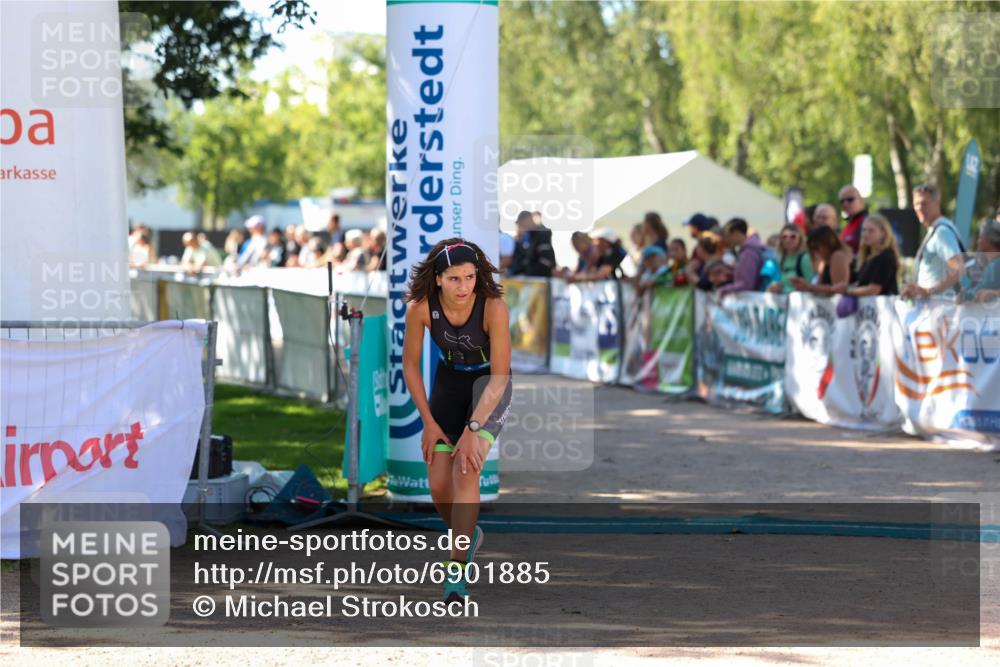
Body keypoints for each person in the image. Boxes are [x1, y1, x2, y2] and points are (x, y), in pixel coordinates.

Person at [403, 239, 513, 603]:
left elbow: (499, 379)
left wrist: (474, 429)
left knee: (465, 469)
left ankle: (455, 576)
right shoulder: (421, 308)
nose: (464, 286)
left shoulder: (493, 307)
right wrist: (428, 422)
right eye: (454, 279)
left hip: (489, 387)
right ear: (437, 279)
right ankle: (466, 537)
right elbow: (410, 365)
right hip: (448, 384)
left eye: (469, 277)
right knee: (438, 484)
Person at [901, 184, 965, 299]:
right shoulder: (936, 230)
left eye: (924, 203)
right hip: (935, 309)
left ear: (937, 203)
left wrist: (928, 291)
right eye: (916, 204)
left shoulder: (942, 232)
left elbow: (958, 269)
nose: (919, 208)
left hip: (942, 309)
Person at [844, 213, 900, 297]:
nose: (866, 234)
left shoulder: (886, 256)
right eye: (864, 230)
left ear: (883, 233)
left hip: (882, 308)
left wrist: (847, 291)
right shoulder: (866, 256)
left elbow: (874, 289)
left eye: (871, 230)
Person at [793, 226, 854, 295]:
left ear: (827, 243)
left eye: (815, 247)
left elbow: (838, 289)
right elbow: (819, 284)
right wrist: (804, 285)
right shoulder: (826, 261)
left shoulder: (838, 256)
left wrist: (809, 287)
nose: (814, 252)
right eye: (810, 248)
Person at [717, 217, 768, 296]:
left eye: (727, 235)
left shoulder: (749, 253)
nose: (726, 239)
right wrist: (730, 274)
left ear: (736, 232)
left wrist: (724, 290)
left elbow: (746, 284)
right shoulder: (747, 250)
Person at [959, 218, 1000, 303]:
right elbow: (975, 289)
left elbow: (981, 291)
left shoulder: (996, 264)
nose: (978, 241)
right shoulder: (980, 264)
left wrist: (995, 293)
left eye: (981, 237)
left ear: (989, 240)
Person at [768, 224, 813, 293]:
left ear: (800, 239)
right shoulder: (782, 258)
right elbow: (783, 282)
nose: (788, 240)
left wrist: (785, 290)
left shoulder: (805, 258)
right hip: (783, 301)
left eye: (793, 236)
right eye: (784, 236)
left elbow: (810, 285)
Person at [509, 210, 556, 277]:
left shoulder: (542, 234)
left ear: (528, 220)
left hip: (542, 279)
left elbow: (545, 262)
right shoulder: (530, 236)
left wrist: (527, 274)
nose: (522, 226)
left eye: (522, 223)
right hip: (533, 278)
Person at [838, 185, 868, 254]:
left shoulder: (867, 223)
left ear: (861, 200)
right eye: (842, 201)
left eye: (850, 199)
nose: (845, 204)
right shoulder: (849, 224)